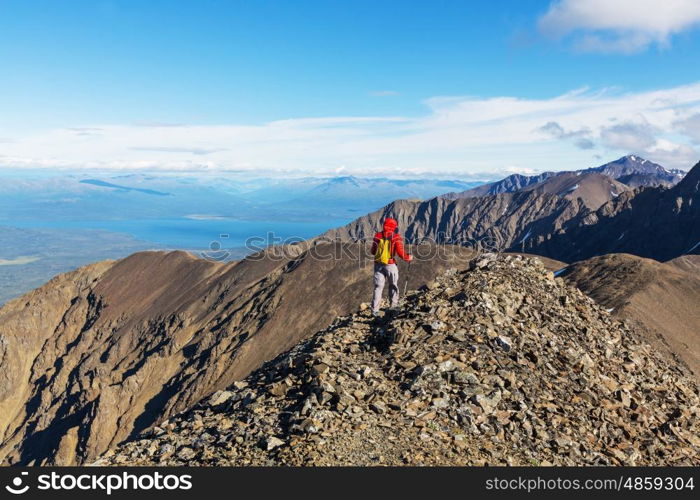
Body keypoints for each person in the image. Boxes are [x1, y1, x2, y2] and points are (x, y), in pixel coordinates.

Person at [370, 217, 412, 315]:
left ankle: (374, 310)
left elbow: (372, 251)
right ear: (393, 227)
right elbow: (401, 253)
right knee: (393, 285)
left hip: (378, 264)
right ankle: (393, 305)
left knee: (378, 287)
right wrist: (408, 258)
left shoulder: (377, 236)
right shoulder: (396, 237)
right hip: (390, 264)